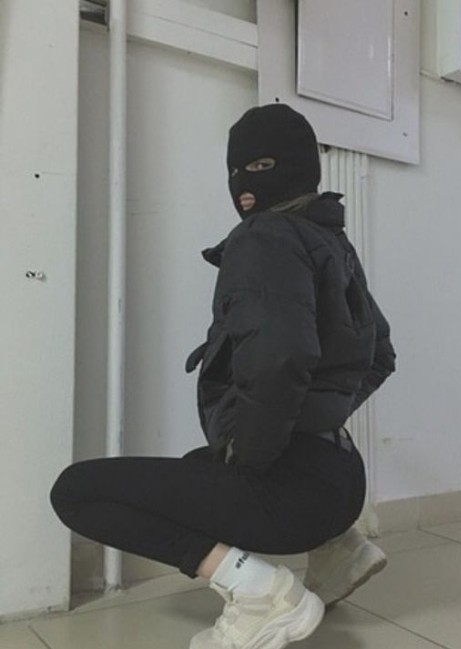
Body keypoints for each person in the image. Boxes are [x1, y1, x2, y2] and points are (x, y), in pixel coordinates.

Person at [50, 103, 396, 649]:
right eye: (235, 170)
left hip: (295, 497)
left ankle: (260, 595)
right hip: (343, 483)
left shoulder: (265, 236)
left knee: (76, 492)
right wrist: (315, 420)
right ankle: (338, 551)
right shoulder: (329, 240)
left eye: (259, 166)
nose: (243, 184)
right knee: (199, 466)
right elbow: (381, 354)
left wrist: (253, 457)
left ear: (298, 167)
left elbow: (278, 359)